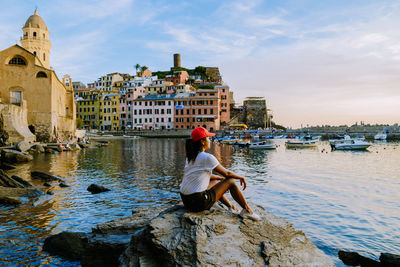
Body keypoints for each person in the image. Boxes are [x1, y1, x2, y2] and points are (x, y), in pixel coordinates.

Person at [180, 127, 260, 221]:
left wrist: (219, 179)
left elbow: (201, 176)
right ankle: (247, 211)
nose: (209, 140)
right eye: (208, 138)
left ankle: (230, 207)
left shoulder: (190, 157)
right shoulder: (206, 157)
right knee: (230, 181)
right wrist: (240, 177)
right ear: (202, 141)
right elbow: (227, 173)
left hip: (186, 201)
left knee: (216, 180)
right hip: (198, 203)